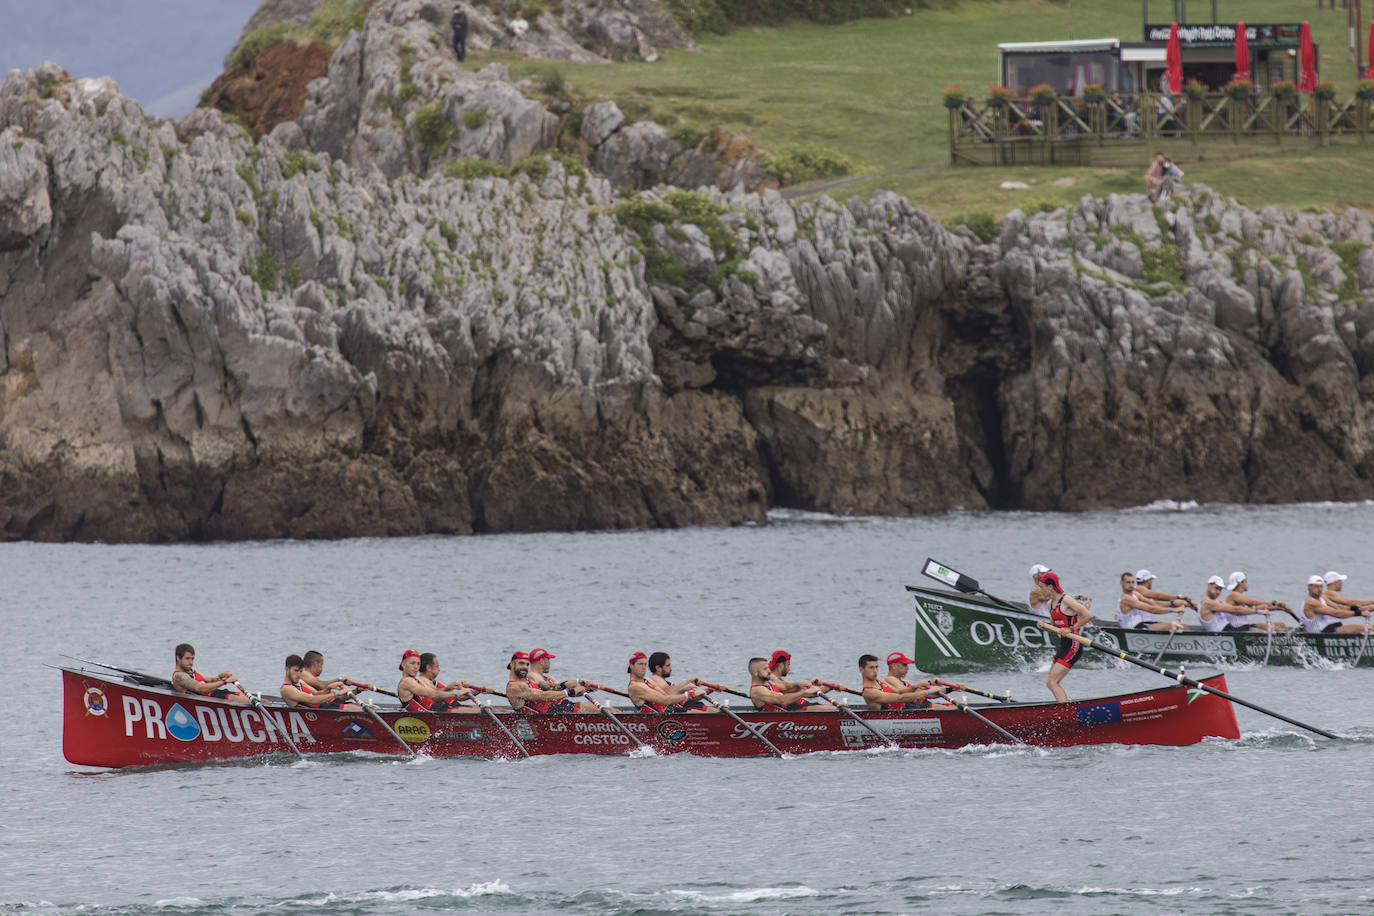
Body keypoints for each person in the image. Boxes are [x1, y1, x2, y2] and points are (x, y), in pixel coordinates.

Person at [1042, 572, 1094, 702]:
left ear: (1050, 587)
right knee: (1050, 682)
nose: (1040, 590)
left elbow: (1087, 615)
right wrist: (1045, 626)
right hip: (1063, 645)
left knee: (1053, 682)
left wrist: (1072, 628)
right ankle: (1062, 707)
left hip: (1074, 644)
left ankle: (1064, 712)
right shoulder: (1050, 604)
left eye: (1042, 587)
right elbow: (1054, 629)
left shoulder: (1066, 600)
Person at [506, 651, 597, 713]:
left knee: (599, 708)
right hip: (542, 721)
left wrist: (578, 685)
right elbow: (543, 696)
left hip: (553, 713)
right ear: (512, 664)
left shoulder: (528, 681)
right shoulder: (514, 686)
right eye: (521, 663)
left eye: (527, 664)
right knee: (594, 709)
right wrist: (569, 692)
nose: (525, 667)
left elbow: (553, 688)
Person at [626, 651, 718, 713]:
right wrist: (689, 694)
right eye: (640, 664)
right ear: (631, 665)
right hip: (662, 719)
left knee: (715, 712)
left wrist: (686, 690)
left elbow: (667, 696)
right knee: (711, 713)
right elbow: (665, 701)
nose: (643, 667)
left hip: (672, 712)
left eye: (645, 664)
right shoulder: (635, 687)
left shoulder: (647, 680)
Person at [397, 649, 476, 712]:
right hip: (430, 715)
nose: (416, 667)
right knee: (474, 711)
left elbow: (434, 692)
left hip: (434, 711)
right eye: (412, 663)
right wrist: (456, 693)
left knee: (477, 709)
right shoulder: (406, 682)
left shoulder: (415, 680)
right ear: (403, 664)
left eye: (418, 664)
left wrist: (449, 688)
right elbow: (433, 695)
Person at [858, 654, 946, 710]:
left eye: (876, 667)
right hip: (900, 715)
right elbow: (900, 698)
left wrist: (916, 686)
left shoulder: (878, 679)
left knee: (950, 707)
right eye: (871, 668)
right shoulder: (869, 692)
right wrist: (929, 691)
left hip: (908, 708)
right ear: (861, 669)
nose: (875, 671)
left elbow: (899, 692)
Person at [171, 643, 248, 703]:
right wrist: (225, 681)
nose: (191, 662)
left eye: (192, 659)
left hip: (215, 693)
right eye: (187, 658)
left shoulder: (192, 670)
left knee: (250, 698)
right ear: (178, 658)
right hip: (207, 700)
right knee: (234, 698)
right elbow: (200, 688)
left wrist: (222, 677)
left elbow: (210, 680)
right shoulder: (179, 676)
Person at [748, 657, 832, 712]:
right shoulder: (757, 690)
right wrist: (804, 693)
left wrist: (802, 684)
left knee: (834, 709)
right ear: (755, 672)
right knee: (829, 710)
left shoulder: (768, 682)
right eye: (765, 669)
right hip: (787, 718)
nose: (769, 671)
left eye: (768, 668)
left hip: (792, 709)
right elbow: (781, 700)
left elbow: (786, 688)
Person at [1299, 572, 1373, 634]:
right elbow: (1336, 613)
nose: (1319, 589)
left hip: (1333, 627)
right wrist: (1359, 613)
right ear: (1309, 587)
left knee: (1369, 628)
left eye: (1321, 587)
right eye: (1316, 587)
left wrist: (1365, 609)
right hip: (1322, 633)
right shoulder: (1310, 603)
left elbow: (1339, 608)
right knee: (1364, 628)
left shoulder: (1322, 597)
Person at [416, 652, 492, 711]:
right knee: (474, 711)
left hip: (445, 708)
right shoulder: (416, 685)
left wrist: (480, 690)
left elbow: (460, 697)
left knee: (493, 710)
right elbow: (436, 695)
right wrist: (451, 687)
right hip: (433, 712)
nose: (439, 669)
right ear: (429, 668)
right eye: (437, 666)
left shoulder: (435, 684)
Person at [281, 655, 362, 710]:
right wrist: (337, 693)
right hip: (319, 713)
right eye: (296, 671)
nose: (298, 675)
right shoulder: (286, 689)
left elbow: (317, 694)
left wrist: (329, 688)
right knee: (352, 707)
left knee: (356, 706)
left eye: (300, 671)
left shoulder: (300, 681)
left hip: (325, 706)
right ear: (287, 669)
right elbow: (312, 699)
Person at [1118, 570, 1188, 631]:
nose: (1131, 585)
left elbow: (1153, 603)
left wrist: (1173, 604)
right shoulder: (1126, 599)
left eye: (1133, 582)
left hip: (1143, 625)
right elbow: (1151, 609)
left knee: (1183, 626)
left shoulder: (1135, 594)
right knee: (1179, 627)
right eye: (1128, 582)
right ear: (1121, 583)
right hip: (1134, 629)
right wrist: (1174, 610)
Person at [1221, 572, 1289, 632]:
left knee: (1281, 625)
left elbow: (1253, 607)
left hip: (1245, 626)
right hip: (1237, 629)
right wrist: (1274, 603)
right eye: (1246, 581)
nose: (1247, 584)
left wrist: (1279, 608)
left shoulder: (1240, 597)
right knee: (1273, 631)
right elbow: (1252, 602)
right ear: (1240, 582)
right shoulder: (1233, 595)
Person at [299, 650, 373, 697]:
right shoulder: (303, 674)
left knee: (351, 705)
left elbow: (339, 697)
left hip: (325, 704)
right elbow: (321, 684)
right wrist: (340, 679)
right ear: (315, 664)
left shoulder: (314, 681)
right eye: (321, 665)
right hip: (319, 708)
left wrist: (357, 690)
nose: (322, 669)